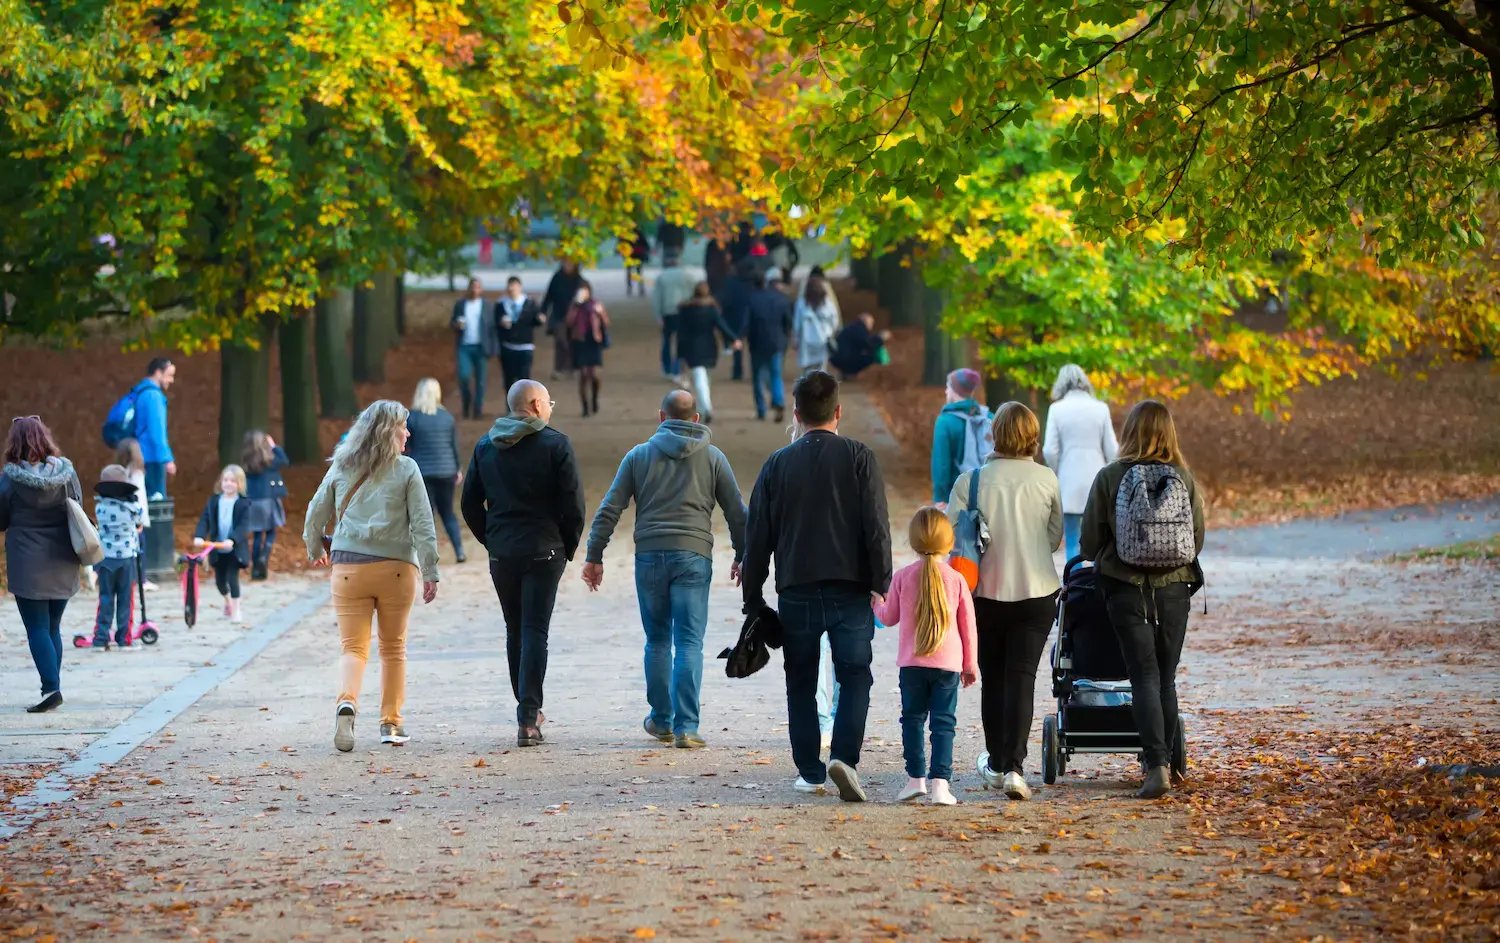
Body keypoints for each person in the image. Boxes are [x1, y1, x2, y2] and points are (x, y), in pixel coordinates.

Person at [742, 371, 892, 801]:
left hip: (797, 588)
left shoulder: (777, 465)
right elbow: (875, 526)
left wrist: (753, 597)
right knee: (855, 674)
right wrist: (881, 580)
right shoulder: (859, 458)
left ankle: (810, 769)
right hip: (851, 587)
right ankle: (845, 755)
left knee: (801, 679)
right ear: (838, 412)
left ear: (796, 414)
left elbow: (758, 539)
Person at [582, 390, 748, 750]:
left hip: (650, 557)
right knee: (689, 641)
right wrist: (743, 554)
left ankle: (661, 720)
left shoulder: (638, 456)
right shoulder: (714, 458)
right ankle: (687, 727)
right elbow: (737, 511)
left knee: (657, 640)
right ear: (697, 419)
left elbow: (610, 507)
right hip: (693, 556)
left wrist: (594, 555)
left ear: (661, 417)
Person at [1081, 400, 1204, 800]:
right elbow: (1196, 539)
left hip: (1125, 588)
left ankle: (1156, 767)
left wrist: (1110, 558)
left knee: (1144, 678)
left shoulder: (1111, 476)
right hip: (1174, 590)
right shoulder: (1184, 479)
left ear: (1129, 431)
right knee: (1165, 679)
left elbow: (1088, 541)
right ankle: (1165, 760)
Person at [304, 400, 441, 752]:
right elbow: (423, 524)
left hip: (349, 568)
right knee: (393, 649)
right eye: (402, 427)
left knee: (353, 647)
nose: (407, 433)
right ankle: (391, 724)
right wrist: (430, 570)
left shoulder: (341, 467)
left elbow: (315, 513)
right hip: (396, 569)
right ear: (387, 432)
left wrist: (315, 549)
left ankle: (346, 702)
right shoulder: (407, 469)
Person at [946, 402, 1063, 800]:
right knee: (1022, 678)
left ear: (994, 433)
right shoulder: (1047, 479)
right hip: (1036, 592)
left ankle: (997, 762)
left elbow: (951, 538)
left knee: (993, 678)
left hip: (983, 594)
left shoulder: (971, 481)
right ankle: (1014, 767)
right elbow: (1053, 537)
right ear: (1032, 434)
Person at [460, 380, 585, 747]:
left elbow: (470, 503)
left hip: (503, 552)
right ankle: (529, 716)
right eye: (549, 402)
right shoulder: (555, 444)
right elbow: (574, 505)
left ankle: (526, 710)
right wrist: (567, 545)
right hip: (545, 551)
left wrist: (491, 539)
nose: (550, 409)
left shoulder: (486, 445)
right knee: (535, 631)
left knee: (515, 630)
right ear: (534, 404)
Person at [872, 507, 978, 806]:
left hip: (912, 665)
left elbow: (888, 617)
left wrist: (876, 603)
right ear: (949, 542)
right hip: (948, 666)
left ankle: (915, 779)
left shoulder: (904, 577)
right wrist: (969, 665)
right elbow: (968, 627)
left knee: (912, 720)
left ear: (913, 541)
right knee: (944, 724)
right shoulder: (956, 580)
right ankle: (941, 785)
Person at [0, 417, 84, 713]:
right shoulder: (66, 472)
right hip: (63, 557)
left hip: (27, 562)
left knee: (36, 627)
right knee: (52, 626)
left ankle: (51, 687)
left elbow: (1, 519)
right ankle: (53, 686)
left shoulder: (10, 479)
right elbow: (78, 507)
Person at [1044, 364, 1119, 562]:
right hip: (1098, 478)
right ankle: (1098, 586)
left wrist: (1056, 471)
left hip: (1068, 479)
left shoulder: (1056, 409)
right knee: (1100, 540)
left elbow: (1049, 450)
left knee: (1072, 541)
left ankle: (1075, 587)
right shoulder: (1100, 408)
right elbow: (1112, 449)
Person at [406, 378, 466, 563]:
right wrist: (457, 468)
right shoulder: (446, 417)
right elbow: (453, 445)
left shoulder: (413, 417)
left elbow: (407, 446)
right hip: (446, 471)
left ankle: (426, 557)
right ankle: (459, 551)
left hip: (422, 472)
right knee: (448, 512)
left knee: (426, 516)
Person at [90, 464, 145, 650]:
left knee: (105, 598)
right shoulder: (132, 507)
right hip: (126, 560)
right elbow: (140, 520)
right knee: (125, 599)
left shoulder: (100, 508)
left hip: (105, 559)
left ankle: (100, 638)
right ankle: (123, 639)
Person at [192, 465, 251, 625]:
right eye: (226, 480)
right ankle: (228, 602)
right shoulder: (214, 501)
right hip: (217, 548)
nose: (228, 484)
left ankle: (236, 609)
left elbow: (244, 526)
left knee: (232, 578)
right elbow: (205, 520)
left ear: (239, 484)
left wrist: (232, 539)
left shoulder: (243, 504)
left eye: (233, 481)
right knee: (219, 582)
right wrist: (199, 536)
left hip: (234, 549)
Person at [674, 282, 740, 424]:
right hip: (709, 348)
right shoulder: (711, 310)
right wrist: (734, 339)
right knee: (704, 379)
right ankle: (705, 407)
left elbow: (681, 333)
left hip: (691, 348)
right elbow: (722, 326)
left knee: (699, 380)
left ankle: (705, 408)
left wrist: (680, 354)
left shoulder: (685, 310)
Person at [930, 368, 989, 508]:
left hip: (956, 497)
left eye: (947, 387)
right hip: (987, 495)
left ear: (954, 390)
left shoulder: (945, 422)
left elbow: (941, 462)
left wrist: (940, 497)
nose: (945, 391)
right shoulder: (988, 417)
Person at [241, 430, 290, 581]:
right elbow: (285, 461)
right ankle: (264, 556)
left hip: (252, 502)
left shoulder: (247, 462)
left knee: (256, 534)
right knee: (270, 531)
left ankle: (256, 568)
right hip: (268, 500)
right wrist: (274, 446)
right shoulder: (270, 461)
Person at [744, 271, 793, 421]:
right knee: (775, 375)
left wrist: (740, 338)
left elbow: (746, 323)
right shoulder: (781, 299)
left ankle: (761, 410)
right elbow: (788, 322)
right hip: (776, 342)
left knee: (757, 377)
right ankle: (778, 401)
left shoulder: (752, 300)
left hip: (757, 343)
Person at [565, 280, 610, 417]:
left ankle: (595, 398)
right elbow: (568, 322)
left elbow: (606, 323)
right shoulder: (574, 306)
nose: (582, 294)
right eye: (580, 291)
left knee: (595, 375)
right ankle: (585, 406)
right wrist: (575, 307)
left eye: (585, 291)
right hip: (580, 341)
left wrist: (600, 313)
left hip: (593, 341)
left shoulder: (596, 304)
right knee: (583, 375)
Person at [494, 276, 546, 393]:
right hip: (508, 346)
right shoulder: (501, 304)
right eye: (509, 286)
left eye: (514, 286)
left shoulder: (529, 303)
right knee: (509, 379)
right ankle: (510, 408)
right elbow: (495, 323)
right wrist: (501, 323)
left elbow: (537, 320)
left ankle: (524, 408)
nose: (511, 289)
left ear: (520, 287)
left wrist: (540, 319)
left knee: (524, 380)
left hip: (525, 346)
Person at [450, 277, 492, 419]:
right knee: (464, 376)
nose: (474, 290)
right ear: (468, 288)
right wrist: (457, 325)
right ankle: (466, 403)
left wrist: (492, 348)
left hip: (481, 347)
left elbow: (492, 328)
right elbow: (452, 322)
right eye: (472, 287)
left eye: (477, 287)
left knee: (481, 381)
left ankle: (478, 409)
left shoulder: (486, 305)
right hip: (464, 346)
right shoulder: (461, 304)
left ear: (481, 290)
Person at [652, 252, 697, 382]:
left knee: (667, 341)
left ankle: (667, 368)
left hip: (668, 312)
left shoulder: (662, 277)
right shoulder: (688, 276)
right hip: (684, 312)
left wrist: (658, 315)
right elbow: (694, 294)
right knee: (681, 341)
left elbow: (657, 298)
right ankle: (677, 368)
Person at [135, 358, 176, 498]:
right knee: (156, 502)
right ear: (158, 373)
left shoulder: (141, 392)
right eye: (169, 375)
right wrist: (167, 459)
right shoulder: (153, 396)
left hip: (140, 456)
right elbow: (156, 432)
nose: (171, 380)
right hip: (153, 458)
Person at [542, 261, 583, 379]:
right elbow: (548, 296)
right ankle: (559, 368)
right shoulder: (557, 278)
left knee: (573, 342)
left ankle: (574, 368)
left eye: (570, 264)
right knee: (561, 341)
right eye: (566, 263)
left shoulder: (579, 280)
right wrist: (543, 311)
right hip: (559, 316)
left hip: (575, 318)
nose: (568, 266)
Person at [792, 276, 840, 375]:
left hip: (806, 341)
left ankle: (808, 389)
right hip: (823, 340)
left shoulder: (801, 304)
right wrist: (830, 332)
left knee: (806, 371)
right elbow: (835, 320)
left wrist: (796, 339)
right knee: (821, 369)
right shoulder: (827, 304)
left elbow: (797, 324)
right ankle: (820, 389)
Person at [829, 314, 889, 379]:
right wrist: (880, 338)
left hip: (838, 357)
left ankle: (847, 372)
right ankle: (849, 373)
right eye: (871, 323)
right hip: (844, 359)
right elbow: (867, 344)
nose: (872, 325)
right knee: (870, 358)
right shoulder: (859, 329)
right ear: (865, 322)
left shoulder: (854, 327)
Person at [624, 226, 652, 297]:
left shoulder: (626, 234)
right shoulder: (639, 233)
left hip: (629, 256)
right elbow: (646, 244)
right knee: (638, 272)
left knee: (629, 272)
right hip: (638, 256)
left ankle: (629, 288)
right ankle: (640, 288)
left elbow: (621, 244)